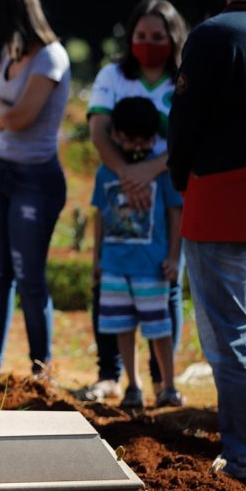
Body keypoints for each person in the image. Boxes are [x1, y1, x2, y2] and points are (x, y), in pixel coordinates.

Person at [168, 0, 246, 491]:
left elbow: (184, 127)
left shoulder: (212, 35)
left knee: (233, 338)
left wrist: (182, 178)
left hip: (222, 201)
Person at [84, 0, 189, 402]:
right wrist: (128, 175)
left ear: (173, 37)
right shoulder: (113, 75)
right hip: (122, 189)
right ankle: (116, 376)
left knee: (165, 291)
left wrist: (152, 170)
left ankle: (164, 380)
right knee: (114, 297)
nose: (148, 42)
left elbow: (188, 139)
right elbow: (99, 131)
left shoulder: (183, 79)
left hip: (166, 188)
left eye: (158, 36)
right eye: (141, 35)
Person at [0, 0, 70, 377]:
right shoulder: (9, 55)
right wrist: (0, 113)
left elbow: (14, 117)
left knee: (30, 276)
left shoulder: (51, 57)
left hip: (35, 179)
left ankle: (40, 370)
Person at [91, 97, 184, 409]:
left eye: (143, 140)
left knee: (159, 328)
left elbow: (175, 213)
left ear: (154, 138)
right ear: (115, 135)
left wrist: (173, 257)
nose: (134, 146)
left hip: (151, 266)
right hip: (116, 265)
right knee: (122, 328)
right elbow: (101, 215)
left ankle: (168, 385)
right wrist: (97, 260)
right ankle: (133, 385)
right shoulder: (106, 173)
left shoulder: (162, 173)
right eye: (128, 139)